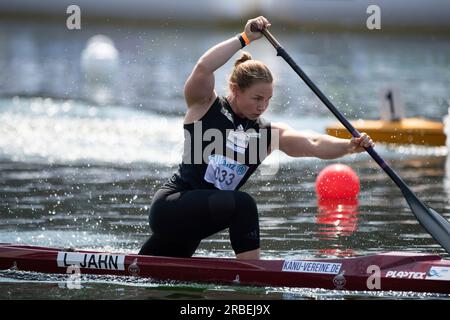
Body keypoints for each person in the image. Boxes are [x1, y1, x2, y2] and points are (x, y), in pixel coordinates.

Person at [139, 16, 374, 260]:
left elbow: (313, 143)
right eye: (257, 98)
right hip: (171, 206)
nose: (263, 106)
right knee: (244, 205)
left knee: (159, 280)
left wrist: (349, 146)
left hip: (193, 226)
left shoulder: (265, 134)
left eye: (268, 99)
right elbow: (203, 68)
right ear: (235, 89)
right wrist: (245, 38)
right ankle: (253, 276)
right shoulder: (205, 106)